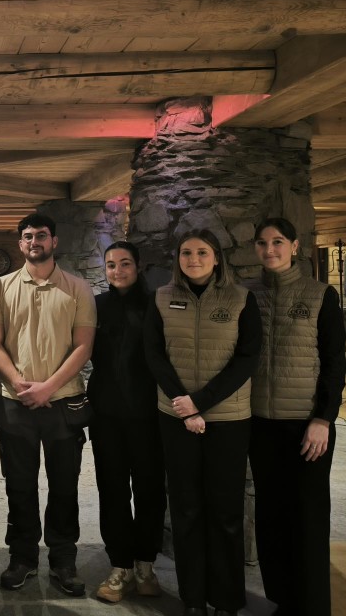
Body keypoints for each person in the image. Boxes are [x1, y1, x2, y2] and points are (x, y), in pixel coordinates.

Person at [144, 229, 261, 616]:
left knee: (226, 511)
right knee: (186, 509)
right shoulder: (162, 297)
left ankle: (225, 599)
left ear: (217, 258)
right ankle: (193, 598)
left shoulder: (242, 299)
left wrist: (200, 403)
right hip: (175, 417)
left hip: (227, 418)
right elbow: (155, 355)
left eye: (202, 252)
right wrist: (185, 407)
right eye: (186, 252)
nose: (193, 259)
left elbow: (246, 359)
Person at [0, 212, 96, 598]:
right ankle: (23, 558)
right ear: (20, 244)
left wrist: (48, 387)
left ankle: (63, 560)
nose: (35, 242)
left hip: (64, 402)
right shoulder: (1, 287)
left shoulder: (79, 288)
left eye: (42, 236)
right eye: (28, 237)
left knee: (64, 487)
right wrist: (18, 383)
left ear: (55, 241)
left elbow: (84, 346)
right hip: (15, 403)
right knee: (19, 486)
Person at [248, 218, 346, 616]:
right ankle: (282, 601)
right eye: (262, 243)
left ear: (294, 245)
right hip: (259, 423)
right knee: (270, 517)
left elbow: (335, 362)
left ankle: (312, 607)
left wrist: (324, 418)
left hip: (307, 426)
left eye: (277, 242)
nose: (269, 249)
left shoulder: (321, 294)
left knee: (307, 516)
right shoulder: (248, 295)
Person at [90, 241, 166, 603]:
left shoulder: (157, 305)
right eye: (110, 265)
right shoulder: (97, 306)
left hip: (150, 415)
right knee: (113, 490)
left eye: (124, 264)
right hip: (106, 414)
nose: (117, 271)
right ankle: (119, 565)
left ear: (138, 266)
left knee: (150, 491)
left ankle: (145, 563)